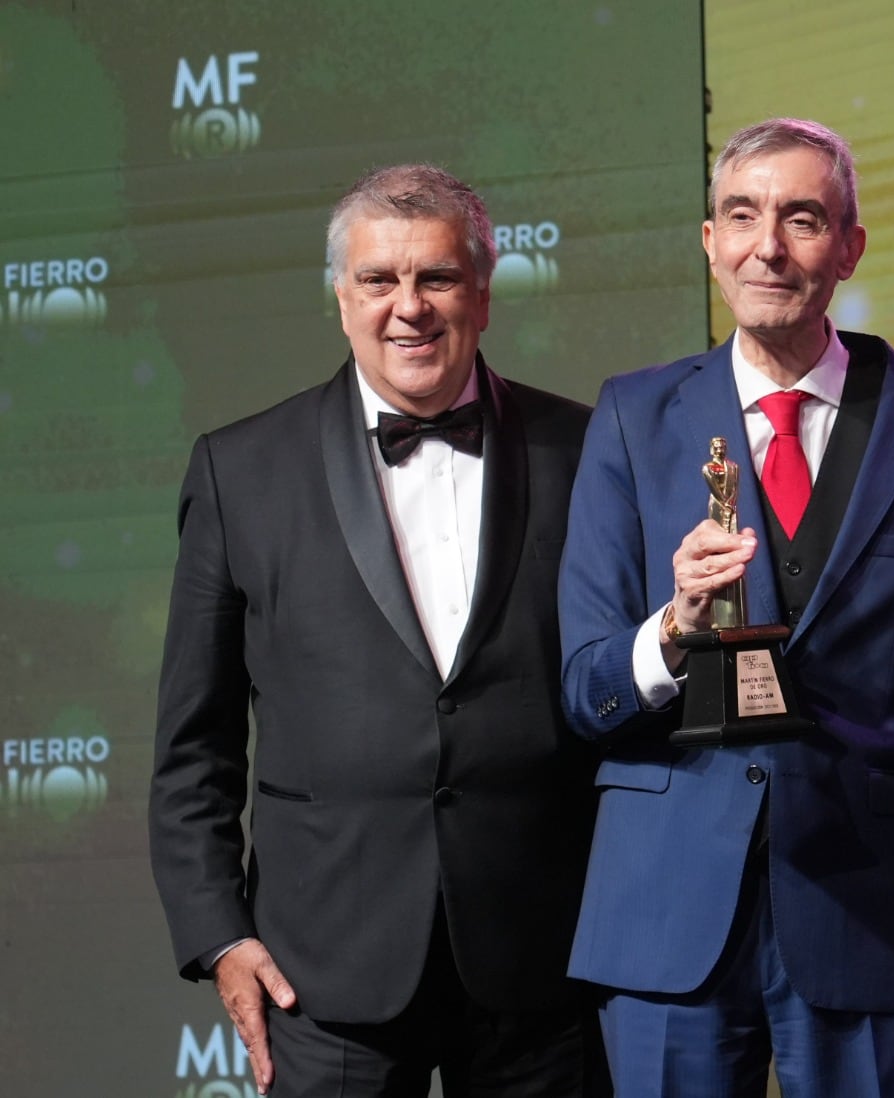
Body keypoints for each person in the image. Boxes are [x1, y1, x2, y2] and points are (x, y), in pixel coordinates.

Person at [557, 117, 894, 1096]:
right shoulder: (630, 419)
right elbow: (583, 689)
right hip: (664, 918)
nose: (766, 247)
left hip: (872, 910)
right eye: (740, 216)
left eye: (801, 219)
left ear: (850, 246)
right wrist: (673, 630)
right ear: (708, 242)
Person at [148, 164, 605, 1097]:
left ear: (482, 291)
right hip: (322, 977)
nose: (410, 309)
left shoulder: (590, 450)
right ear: (340, 297)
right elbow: (192, 749)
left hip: (545, 966)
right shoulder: (240, 472)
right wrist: (219, 935)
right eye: (378, 281)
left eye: (436, 278)